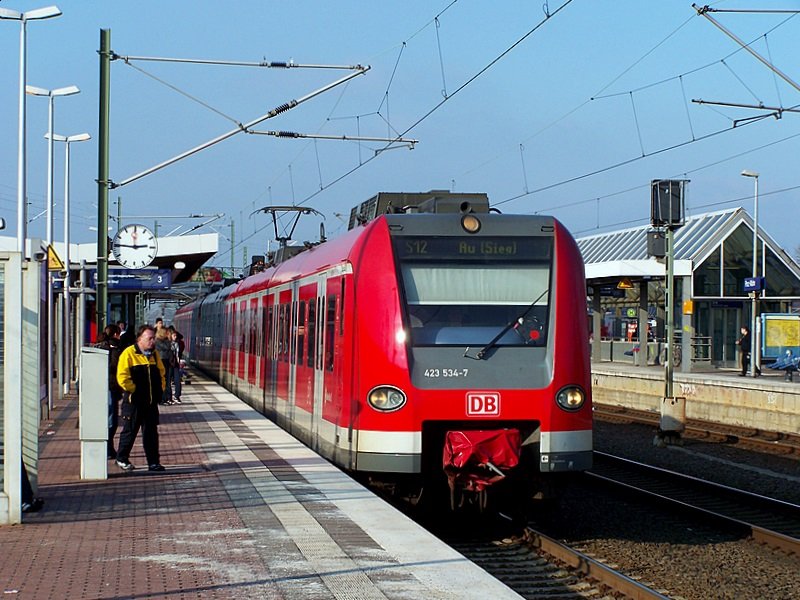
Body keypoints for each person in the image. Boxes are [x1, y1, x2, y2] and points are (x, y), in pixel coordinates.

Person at [115, 325, 166, 472]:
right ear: (139, 339)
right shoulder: (129, 354)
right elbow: (122, 377)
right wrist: (134, 390)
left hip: (150, 402)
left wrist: (160, 389)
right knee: (130, 431)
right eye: (149, 338)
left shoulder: (154, 355)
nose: (152, 341)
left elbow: (161, 373)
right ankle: (121, 458)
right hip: (134, 402)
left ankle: (153, 462)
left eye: (153, 338)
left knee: (151, 433)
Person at [93, 324, 124, 459]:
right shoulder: (114, 347)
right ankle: (108, 449)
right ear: (116, 334)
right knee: (111, 420)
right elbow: (115, 366)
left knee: (108, 418)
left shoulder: (99, 346)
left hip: (101, 387)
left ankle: (108, 449)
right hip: (111, 387)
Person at [155, 326, 175, 405]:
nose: (168, 334)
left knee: (167, 380)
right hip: (162, 361)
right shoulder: (158, 341)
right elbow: (167, 347)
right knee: (163, 380)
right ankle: (162, 398)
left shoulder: (166, 341)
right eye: (166, 333)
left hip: (167, 361)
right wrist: (169, 342)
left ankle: (167, 397)